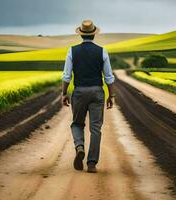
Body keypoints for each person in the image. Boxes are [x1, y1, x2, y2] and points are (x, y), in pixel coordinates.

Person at [61, 20, 115, 173]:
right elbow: (109, 76)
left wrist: (64, 93)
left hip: (79, 92)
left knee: (77, 124)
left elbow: (66, 76)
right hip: (97, 91)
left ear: (81, 35)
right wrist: (111, 95)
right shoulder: (102, 51)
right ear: (94, 34)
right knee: (96, 129)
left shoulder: (72, 51)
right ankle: (91, 164)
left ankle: (79, 147)